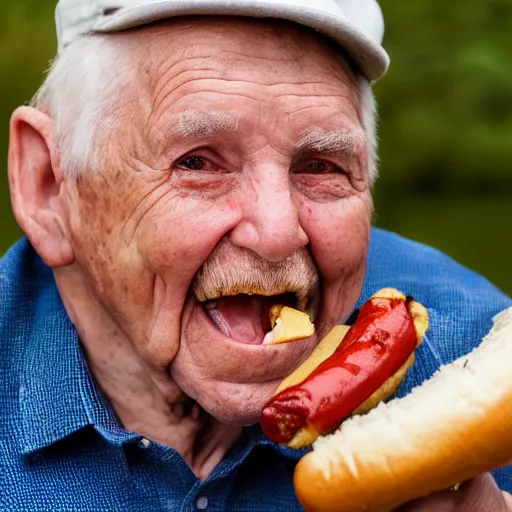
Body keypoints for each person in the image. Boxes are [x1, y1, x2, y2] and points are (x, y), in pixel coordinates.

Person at [1, 0, 511, 510]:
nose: (276, 232)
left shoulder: (479, 355)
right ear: (49, 185)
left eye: (321, 166)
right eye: (197, 162)